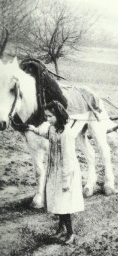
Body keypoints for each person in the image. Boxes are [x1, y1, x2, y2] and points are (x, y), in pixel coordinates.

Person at [27, 100, 84, 245]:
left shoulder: (66, 134)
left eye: (50, 116)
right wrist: (34, 129)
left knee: (64, 204)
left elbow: (68, 159)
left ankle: (70, 233)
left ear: (58, 115)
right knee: (56, 201)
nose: (47, 119)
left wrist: (65, 180)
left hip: (66, 172)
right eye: (46, 116)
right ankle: (60, 229)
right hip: (54, 170)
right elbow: (45, 133)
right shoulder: (52, 129)